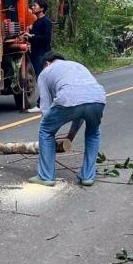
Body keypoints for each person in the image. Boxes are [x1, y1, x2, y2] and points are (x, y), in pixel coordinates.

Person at [29, 51, 106, 187]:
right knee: (93, 133)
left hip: (69, 98)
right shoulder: (78, 66)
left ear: (47, 63)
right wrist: (70, 136)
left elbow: (46, 108)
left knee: (45, 130)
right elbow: (81, 111)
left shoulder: (45, 72)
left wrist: (50, 128)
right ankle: (88, 176)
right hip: (98, 98)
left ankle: (46, 176)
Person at [21, 0, 52, 113]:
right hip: (35, 53)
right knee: (41, 78)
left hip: (42, 54)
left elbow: (46, 38)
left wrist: (32, 36)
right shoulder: (36, 22)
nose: (32, 7)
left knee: (42, 78)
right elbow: (35, 36)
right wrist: (29, 35)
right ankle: (47, 102)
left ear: (42, 8)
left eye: (35, 6)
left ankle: (40, 104)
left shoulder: (46, 22)